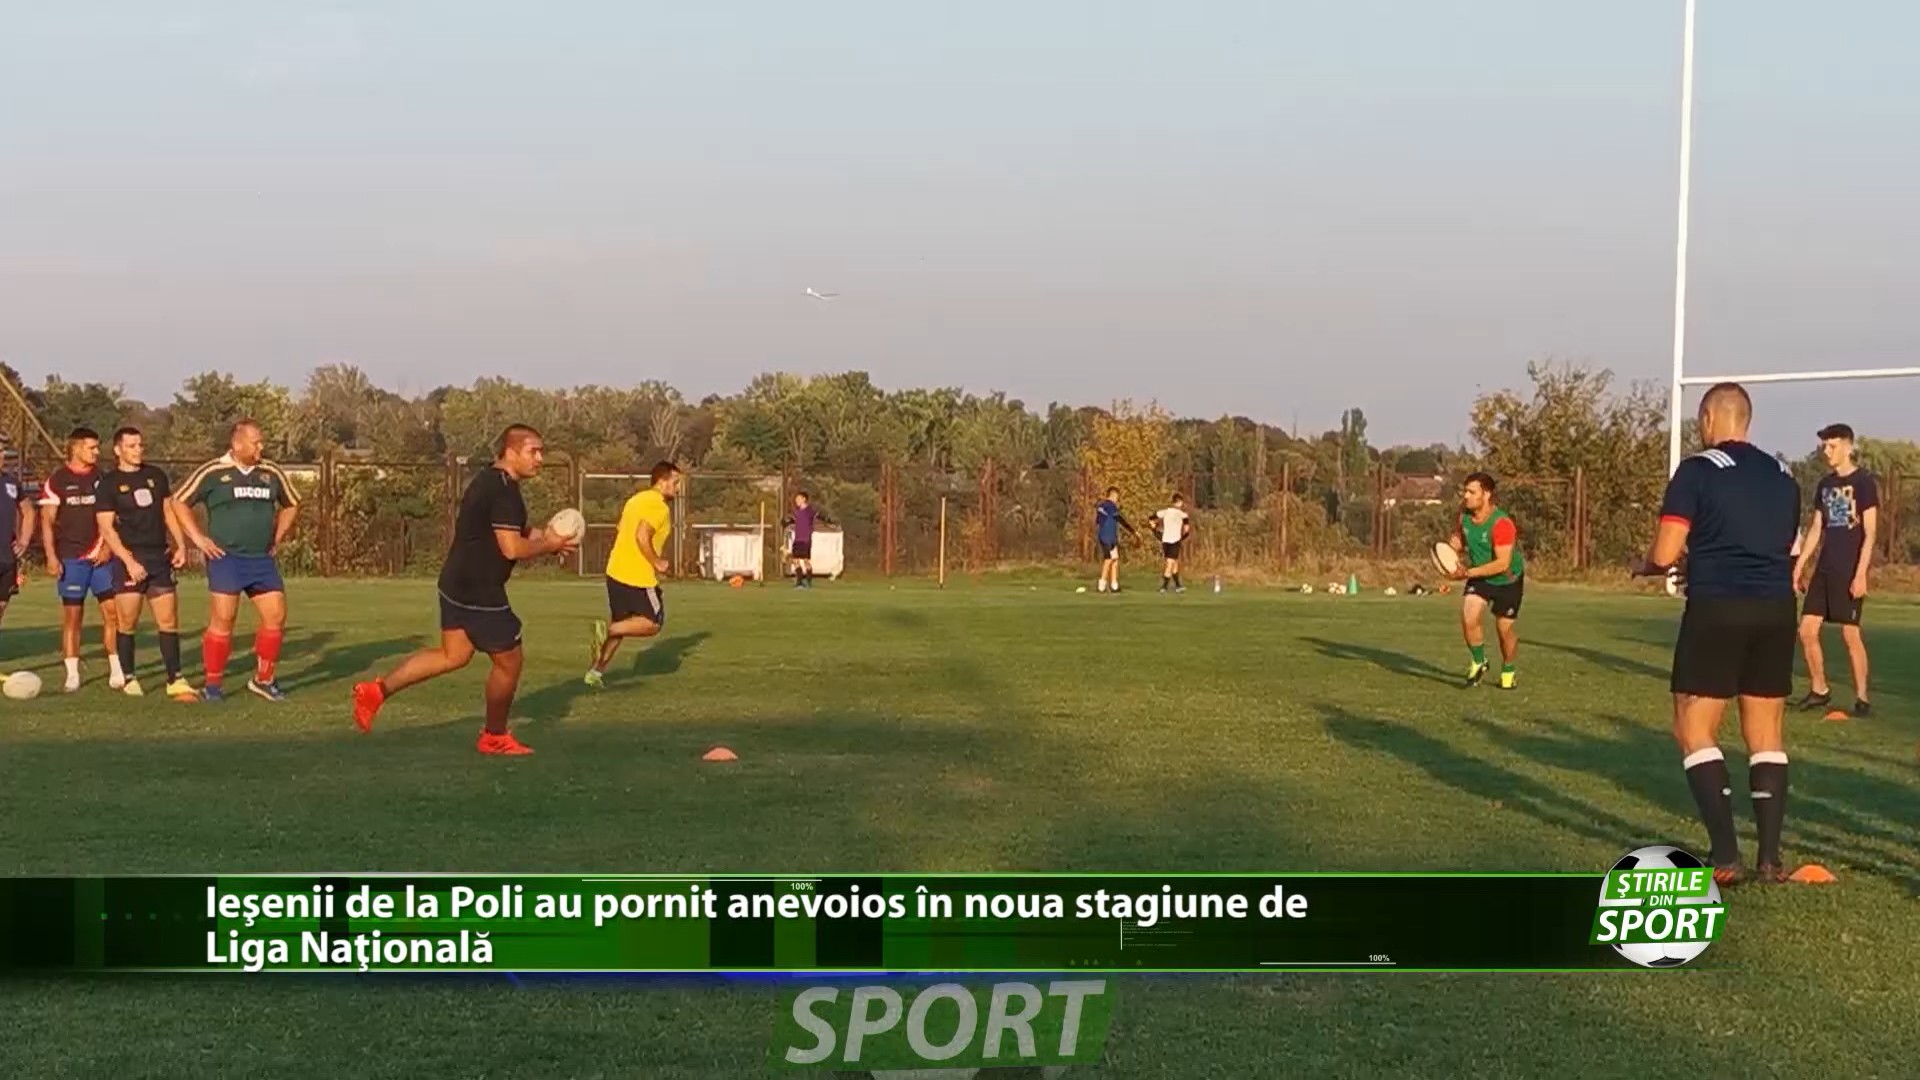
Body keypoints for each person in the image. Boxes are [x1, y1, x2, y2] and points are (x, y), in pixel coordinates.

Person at [1636, 382, 1800, 886]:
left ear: (1708, 418)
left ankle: (1726, 856)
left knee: (1693, 725)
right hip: (1777, 608)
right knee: (1766, 732)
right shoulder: (1784, 475)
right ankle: (1770, 860)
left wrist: (1646, 565)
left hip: (1719, 607)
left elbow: (1666, 552)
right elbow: (1779, 547)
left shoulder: (1696, 471)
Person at [352, 425, 578, 755]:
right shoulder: (504, 491)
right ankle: (494, 736)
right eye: (534, 451)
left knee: (453, 655)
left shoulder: (489, 480)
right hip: (479, 590)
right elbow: (512, 548)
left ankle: (376, 692)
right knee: (510, 662)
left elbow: (506, 528)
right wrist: (549, 544)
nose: (540, 458)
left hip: (455, 582)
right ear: (511, 451)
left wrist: (543, 535)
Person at [173, 420, 302, 702]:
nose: (261, 447)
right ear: (237, 444)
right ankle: (213, 686)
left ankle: (263, 680)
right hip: (226, 558)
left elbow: (292, 504)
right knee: (224, 619)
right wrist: (198, 539)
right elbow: (178, 501)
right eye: (255, 443)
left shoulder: (271, 472)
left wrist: (277, 537)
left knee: (276, 616)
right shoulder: (213, 472)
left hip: (261, 559)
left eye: (261, 442)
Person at [94, 426, 194, 700]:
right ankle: (129, 677)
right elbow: (106, 529)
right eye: (131, 446)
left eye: (140, 445)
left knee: (168, 620)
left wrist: (181, 544)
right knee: (127, 622)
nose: (138, 450)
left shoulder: (155, 476)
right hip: (130, 560)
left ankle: (175, 678)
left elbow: (168, 511)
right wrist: (128, 561)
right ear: (118, 450)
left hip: (159, 558)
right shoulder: (109, 484)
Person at [1791, 423, 1877, 719]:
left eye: (1833, 446)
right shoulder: (1825, 485)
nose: (1827, 451)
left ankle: (1862, 698)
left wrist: (1861, 574)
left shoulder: (1864, 483)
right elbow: (1817, 528)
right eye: (1824, 446)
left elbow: (1870, 533)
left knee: (1850, 635)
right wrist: (1800, 565)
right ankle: (1820, 689)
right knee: (1806, 631)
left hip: (1849, 570)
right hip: (1825, 569)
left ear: (1848, 447)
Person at [40, 427, 124, 691]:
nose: (97, 452)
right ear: (76, 448)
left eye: (97, 447)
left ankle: (117, 668)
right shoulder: (57, 480)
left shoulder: (103, 478)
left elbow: (114, 518)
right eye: (91, 447)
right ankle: (72, 674)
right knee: (73, 617)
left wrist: (107, 547)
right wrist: (51, 556)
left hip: (101, 557)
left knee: (113, 613)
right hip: (71, 558)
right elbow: (47, 521)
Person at [586, 461, 681, 687]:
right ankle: (605, 630)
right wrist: (657, 562)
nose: (678, 488)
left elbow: (621, 529)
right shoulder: (659, 506)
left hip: (615, 571)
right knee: (653, 623)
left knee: (622, 624)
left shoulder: (635, 500)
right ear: (662, 481)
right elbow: (641, 535)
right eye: (676, 483)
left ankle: (595, 673)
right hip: (638, 577)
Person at [1446, 472, 1526, 689]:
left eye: (1472, 492)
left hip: (1507, 579)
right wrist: (1454, 549)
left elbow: (1502, 564)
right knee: (1468, 615)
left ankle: (1508, 670)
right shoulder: (1464, 516)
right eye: (1465, 491)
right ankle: (1479, 661)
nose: (1466, 496)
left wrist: (1467, 573)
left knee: (1504, 630)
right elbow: (1461, 540)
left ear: (1487, 494)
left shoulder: (1501, 524)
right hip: (1480, 576)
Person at [0, 441, 37, 658]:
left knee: (1, 606)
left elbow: (28, 511)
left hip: (6, 557)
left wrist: (24, 540)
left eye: (2, 451)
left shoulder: (11, 483)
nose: (1, 456)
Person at [1093, 487, 1137, 593]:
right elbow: (1119, 519)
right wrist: (1133, 531)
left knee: (1115, 559)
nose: (1117, 499)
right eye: (1117, 497)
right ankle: (1102, 585)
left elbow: (1098, 521)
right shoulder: (1110, 506)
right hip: (1106, 537)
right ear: (1113, 495)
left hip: (1110, 537)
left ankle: (1114, 585)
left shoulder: (1101, 506)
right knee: (1108, 560)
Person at [1151, 494, 1192, 593]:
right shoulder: (1183, 515)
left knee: (1174, 562)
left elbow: (1151, 519)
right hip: (1175, 541)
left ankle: (1178, 586)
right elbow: (1187, 530)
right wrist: (1182, 538)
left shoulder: (1165, 512)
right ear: (1179, 502)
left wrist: (1155, 531)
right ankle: (1164, 587)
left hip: (1165, 540)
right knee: (1170, 563)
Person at [787, 490, 818, 588]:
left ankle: (808, 581)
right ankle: (799, 581)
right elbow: (794, 520)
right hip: (797, 539)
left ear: (804, 499)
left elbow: (817, 515)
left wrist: (827, 519)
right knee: (794, 560)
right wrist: (787, 522)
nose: (797, 500)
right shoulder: (797, 512)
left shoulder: (809, 511)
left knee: (805, 560)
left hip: (805, 539)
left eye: (799, 498)